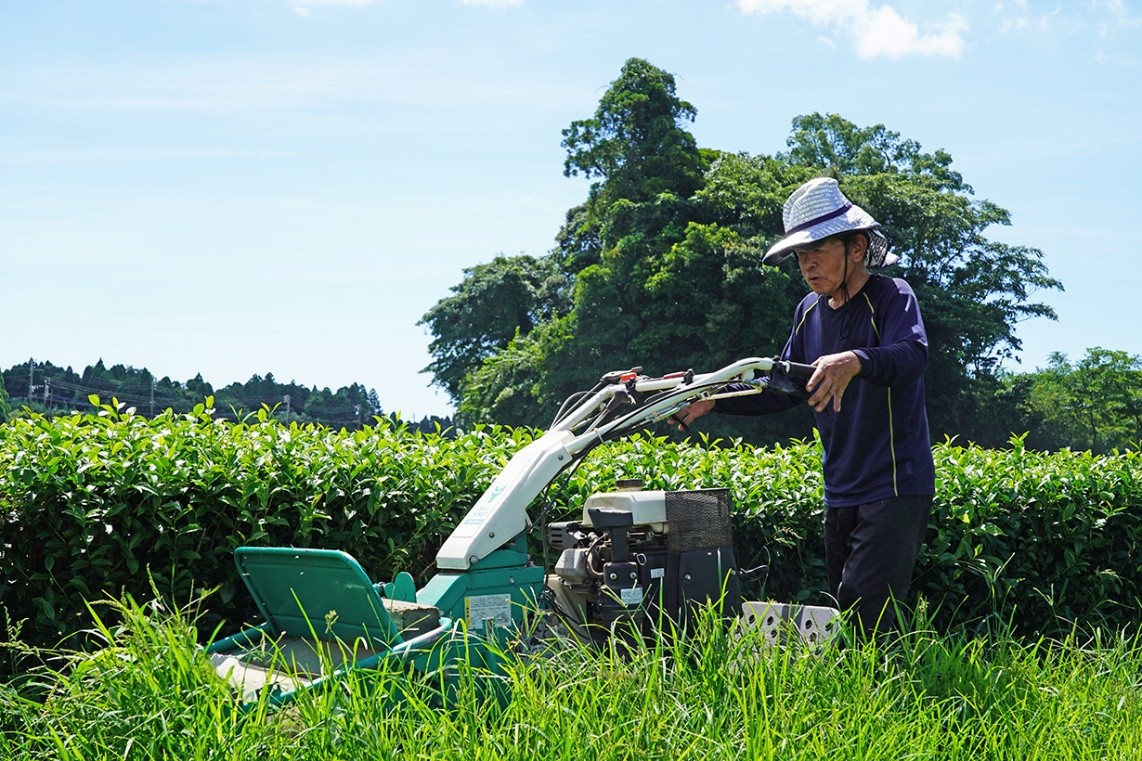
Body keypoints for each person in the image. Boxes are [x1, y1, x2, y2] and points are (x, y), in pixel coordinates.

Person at [673, 176, 935, 639]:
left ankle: (880, 700)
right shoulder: (809, 311)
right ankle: (865, 697)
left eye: (818, 249)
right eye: (800, 255)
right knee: (845, 608)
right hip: (841, 485)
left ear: (856, 246)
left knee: (863, 609)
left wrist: (855, 360)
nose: (808, 264)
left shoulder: (892, 296)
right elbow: (782, 388)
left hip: (895, 481)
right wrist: (714, 399)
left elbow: (913, 356)